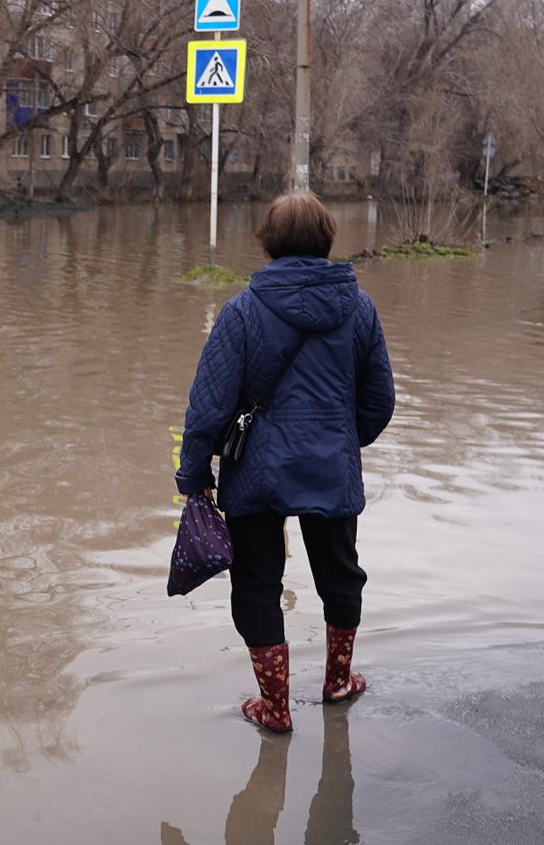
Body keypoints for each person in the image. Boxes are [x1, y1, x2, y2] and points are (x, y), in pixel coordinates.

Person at [175, 189, 395, 733]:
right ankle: (338, 683)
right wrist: (343, 439)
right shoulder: (359, 308)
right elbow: (379, 400)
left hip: (256, 472)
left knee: (257, 583)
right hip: (331, 468)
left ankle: (275, 709)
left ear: (267, 242)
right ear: (327, 239)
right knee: (341, 577)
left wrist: (194, 474)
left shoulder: (243, 311)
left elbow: (210, 403)